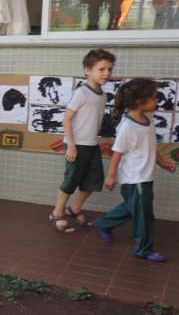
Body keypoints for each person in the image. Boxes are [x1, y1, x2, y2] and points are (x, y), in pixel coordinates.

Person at [94, 78, 176, 263]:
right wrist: (111, 176)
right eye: (155, 98)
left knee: (133, 208)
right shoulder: (128, 127)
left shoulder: (148, 120)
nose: (158, 101)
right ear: (140, 101)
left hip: (143, 178)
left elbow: (150, 146)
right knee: (144, 215)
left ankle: (104, 224)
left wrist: (162, 163)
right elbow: (117, 153)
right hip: (136, 179)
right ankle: (144, 250)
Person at [49, 49, 115, 232]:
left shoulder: (103, 95)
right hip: (76, 144)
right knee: (71, 180)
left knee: (94, 180)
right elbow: (67, 119)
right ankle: (57, 213)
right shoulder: (81, 93)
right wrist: (71, 145)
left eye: (109, 69)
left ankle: (75, 208)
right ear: (87, 70)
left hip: (92, 144)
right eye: (101, 69)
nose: (107, 73)